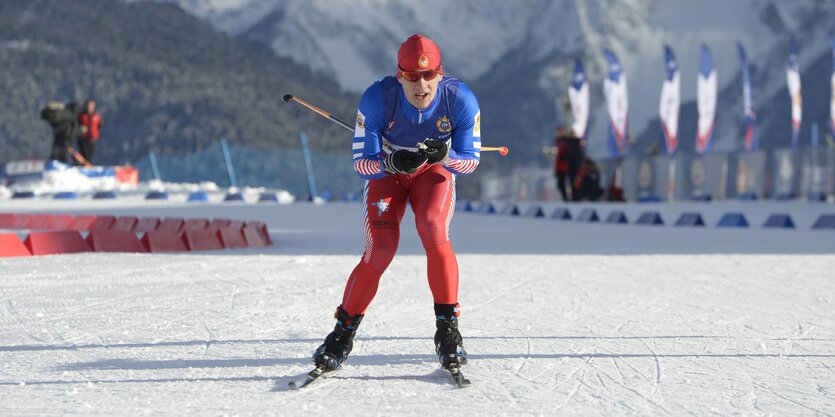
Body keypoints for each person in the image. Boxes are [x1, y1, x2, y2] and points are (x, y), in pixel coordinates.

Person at [312, 34, 481, 373]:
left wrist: (446, 155)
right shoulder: (377, 98)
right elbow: (361, 163)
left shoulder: (460, 99)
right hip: (388, 172)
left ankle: (448, 332)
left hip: (433, 171)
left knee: (433, 228)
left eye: (430, 75)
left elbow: (471, 160)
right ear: (400, 75)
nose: (422, 85)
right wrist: (389, 163)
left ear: (440, 73)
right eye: (413, 76)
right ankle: (342, 334)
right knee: (382, 247)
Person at [554, 126, 582, 201]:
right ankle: (568, 199)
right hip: (562, 167)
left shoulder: (569, 142)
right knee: (562, 184)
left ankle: (573, 199)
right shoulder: (560, 142)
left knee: (572, 184)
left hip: (570, 166)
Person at [77, 98, 102, 165]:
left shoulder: (96, 116)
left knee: (89, 155)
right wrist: (80, 130)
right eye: (89, 106)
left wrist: (97, 134)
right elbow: (77, 124)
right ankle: (85, 167)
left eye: (92, 106)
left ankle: (88, 167)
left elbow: (99, 126)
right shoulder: (82, 115)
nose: (90, 108)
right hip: (83, 138)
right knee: (84, 155)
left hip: (92, 139)